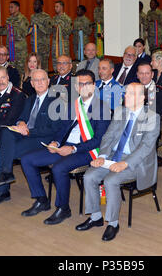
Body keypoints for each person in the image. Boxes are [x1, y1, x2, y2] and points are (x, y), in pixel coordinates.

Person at [20, 70, 111, 225]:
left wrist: (73, 149)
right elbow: (62, 129)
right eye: (80, 84)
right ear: (76, 86)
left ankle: (63, 208)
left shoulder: (102, 108)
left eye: (87, 84)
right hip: (65, 147)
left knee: (58, 168)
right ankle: (41, 199)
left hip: (87, 150)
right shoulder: (72, 105)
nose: (84, 87)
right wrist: (55, 142)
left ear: (94, 86)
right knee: (27, 159)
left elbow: (98, 140)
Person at [76, 83, 160, 241]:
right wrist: (102, 156)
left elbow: (145, 148)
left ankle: (113, 223)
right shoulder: (121, 111)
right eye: (126, 93)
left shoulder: (152, 117)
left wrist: (125, 163)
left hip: (135, 161)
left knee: (111, 180)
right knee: (89, 176)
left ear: (142, 98)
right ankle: (95, 217)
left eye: (130, 93)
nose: (125, 96)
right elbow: (108, 136)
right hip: (113, 156)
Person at [0, 69, 61, 203]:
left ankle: (3, 187)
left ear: (48, 82)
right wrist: (20, 123)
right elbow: (21, 118)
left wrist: (29, 132)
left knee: (5, 151)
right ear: (31, 83)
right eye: (36, 80)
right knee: (7, 132)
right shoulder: (31, 99)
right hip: (26, 135)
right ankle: (5, 175)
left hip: (43, 139)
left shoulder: (56, 101)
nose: (39, 83)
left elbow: (53, 129)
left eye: (42, 79)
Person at [0, 1, 30, 76]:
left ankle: (22, 86)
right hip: (10, 49)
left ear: (17, 8)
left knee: (21, 70)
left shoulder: (22, 19)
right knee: (11, 70)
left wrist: (12, 29)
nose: (10, 9)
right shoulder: (9, 19)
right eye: (9, 7)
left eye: (11, 7)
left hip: (20, 51)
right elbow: (5, 32)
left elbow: (24, 33)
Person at [29, 0, 53, 71]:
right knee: (35, 67)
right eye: (34, 4)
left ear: (41, 5)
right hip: (34, 46)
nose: (35, 6)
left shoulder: (46, 17)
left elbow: (49, 30)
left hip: (43, 47)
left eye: (37, 4)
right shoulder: (32, 16)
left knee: (43, 67)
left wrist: (39, 26)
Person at [51, 1, 72, 71]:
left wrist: (59, 28)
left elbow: (69, 31)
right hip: (55, 44)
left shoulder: (67, 19)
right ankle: (56, 76)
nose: (55, 8)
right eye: (55, 7)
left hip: (63, 44)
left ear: (62, 7)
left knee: (65, 61)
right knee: (55, 60)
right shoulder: (53, 19)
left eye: (57, 6)